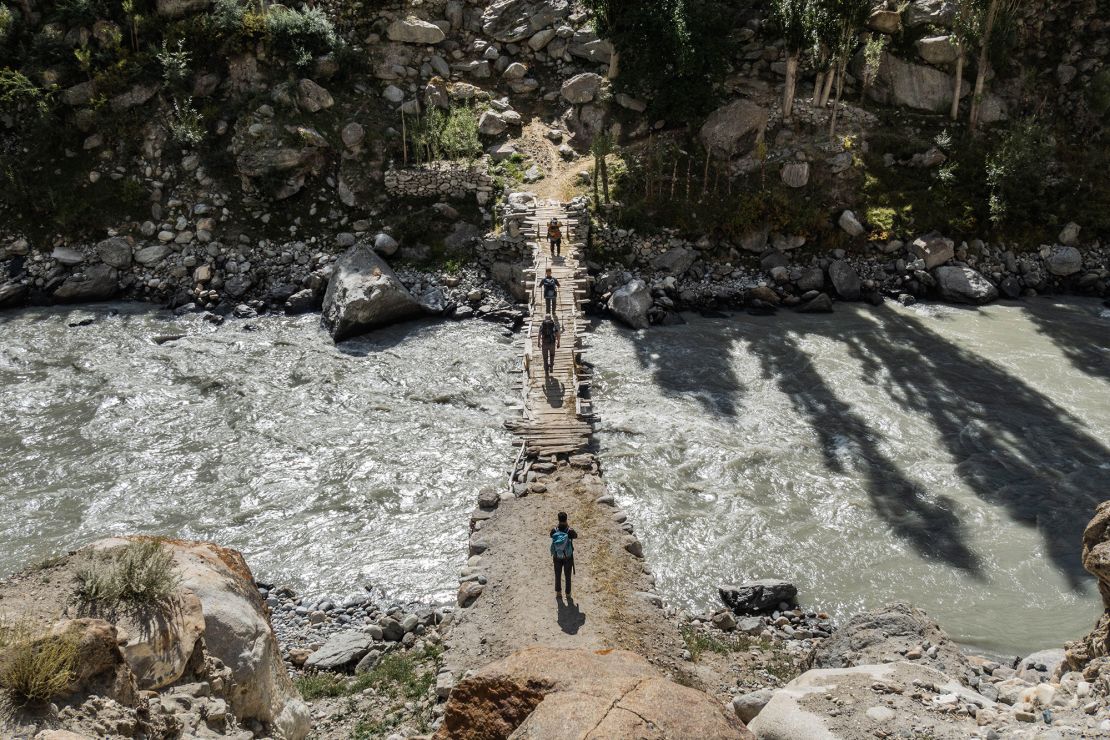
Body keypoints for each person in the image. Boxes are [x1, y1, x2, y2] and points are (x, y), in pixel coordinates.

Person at [550, 511, 577, 597]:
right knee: (567, 575)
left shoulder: (554, 530)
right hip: (568, 556)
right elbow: (576, 536)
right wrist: (568, 527)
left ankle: (558, 593)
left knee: (557, 574)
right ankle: (568, 594)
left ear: (558, 519)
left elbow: (551, 535)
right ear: (566, 519)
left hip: (557, 556)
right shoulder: (570, 531)